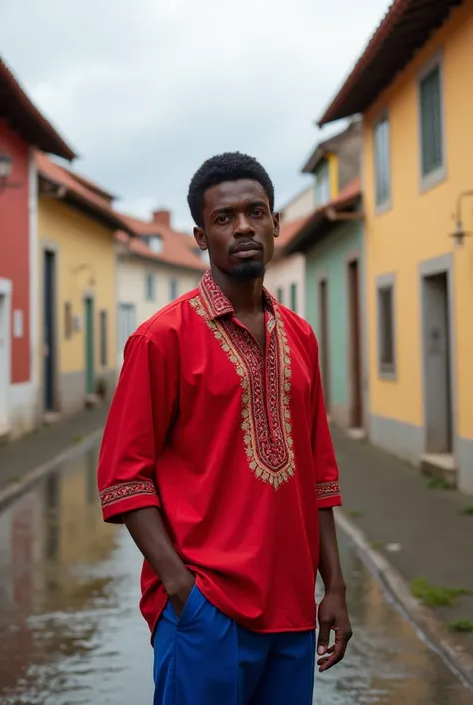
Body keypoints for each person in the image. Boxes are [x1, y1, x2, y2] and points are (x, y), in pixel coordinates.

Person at [97, 152, 352, 704]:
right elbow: (124, 479)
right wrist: (183, 591)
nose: (242, 227)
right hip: (206, 611)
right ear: (200, 235)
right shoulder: (160, 340)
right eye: (223, 218)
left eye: (256, 212)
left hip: (292, 612)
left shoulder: (302, 337)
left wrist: (334, 586)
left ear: (276, 224)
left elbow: (319, 475)